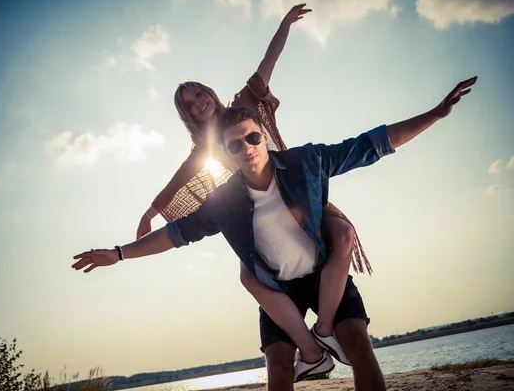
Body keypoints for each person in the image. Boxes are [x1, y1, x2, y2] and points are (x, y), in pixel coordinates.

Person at [72, 74, 477, 390]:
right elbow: (176, 233)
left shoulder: (307, 162)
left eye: (252, 137)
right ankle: (312, 352)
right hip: (276, 288)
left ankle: (324, 338)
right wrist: (120, 253)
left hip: (321, 274)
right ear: (225, 154)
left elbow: (373, 144)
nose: (246, 147)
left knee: (358, 343)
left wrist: (436, 113)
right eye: (234, 145)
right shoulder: (224, 203)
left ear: (262, 134)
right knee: (278, 370)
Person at [135, 3, 371, 376]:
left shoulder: (245, 103)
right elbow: (176, 183)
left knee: (342, 232)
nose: (200, 102)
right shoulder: (203, 152)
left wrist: (284, 24)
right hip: (266, 212)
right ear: (189, 116)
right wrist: (150, 213)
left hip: (298, 195)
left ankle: (324, 333)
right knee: (250, 275)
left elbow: (268, 62)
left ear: (209, 93)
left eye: (200, 93)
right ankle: (309, 348)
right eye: (191, 104)